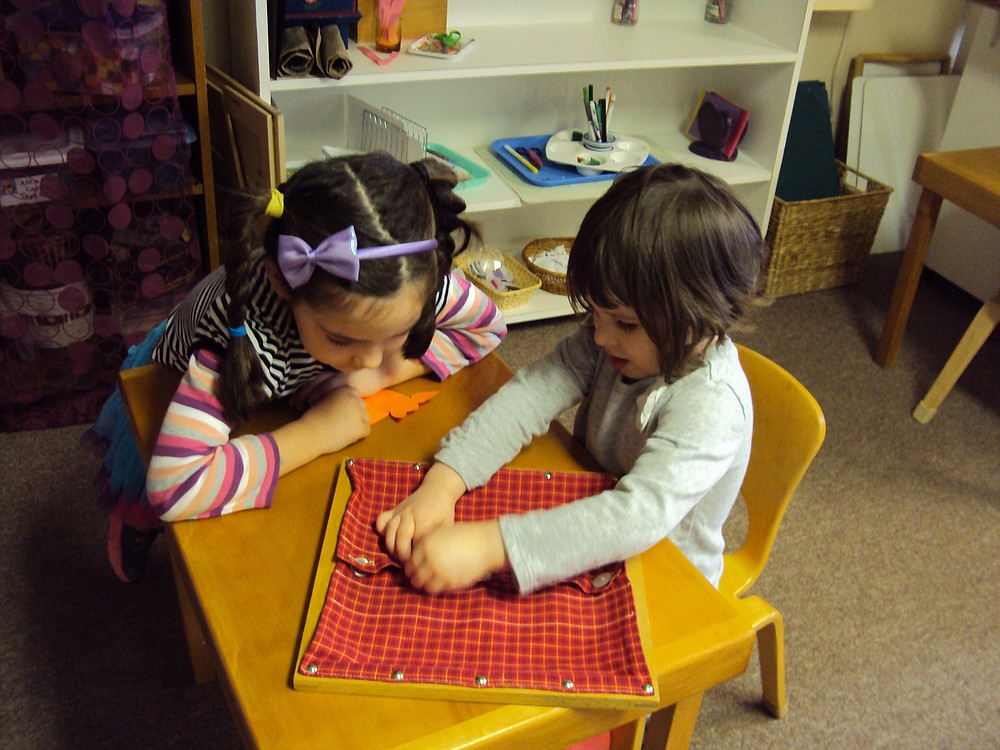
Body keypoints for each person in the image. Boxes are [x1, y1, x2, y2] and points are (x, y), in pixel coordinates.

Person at [85, 152, 506, 583]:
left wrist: (375, 378)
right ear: (282, 283)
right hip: (179, 379)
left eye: (394, 335)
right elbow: (175, 485)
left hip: (290, 375)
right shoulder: (238, 340)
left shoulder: (407, 284)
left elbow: (486, 328)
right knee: (143, 490)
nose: (372, 357)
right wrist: (316, 433)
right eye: (343, 340)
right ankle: (133, 525)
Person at [376, 162, 766, 595]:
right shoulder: (613, 339)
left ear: (697, 316)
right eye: (595, 315)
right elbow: (531, 395)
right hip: (592, 523)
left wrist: (492, 544)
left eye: (624, 324)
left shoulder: (711, 403)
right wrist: (445, 481)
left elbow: (636, 518)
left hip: (668, 580)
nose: (599, 335)